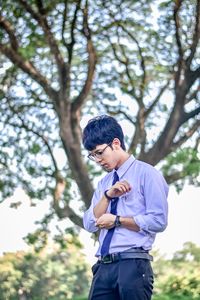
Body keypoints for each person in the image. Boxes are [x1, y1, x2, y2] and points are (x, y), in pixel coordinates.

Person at [82, 115, 168, 300]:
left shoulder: (148, 174)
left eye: (99, 152)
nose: (97, 160)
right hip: (103, 268)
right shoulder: (103, 183)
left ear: (115, 143)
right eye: (92, 155)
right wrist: (107, 196)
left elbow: (158, 221)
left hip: (133, 265)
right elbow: (90, 223)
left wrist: (117, 221)